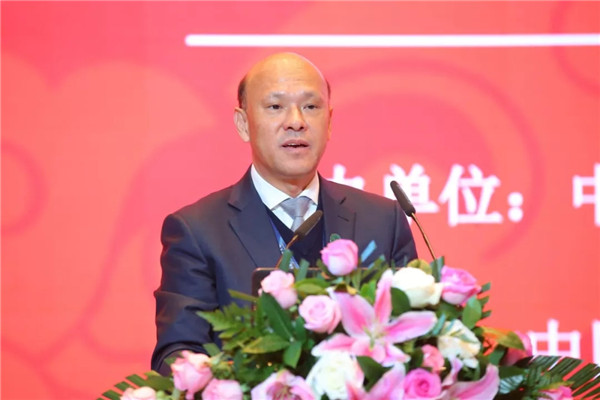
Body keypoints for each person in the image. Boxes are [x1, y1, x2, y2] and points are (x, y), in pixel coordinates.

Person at [151, 52, 417, 374]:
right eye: (275, 107)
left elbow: (416, 340)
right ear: (243, 124)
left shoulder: (384, 220)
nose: (296, 121)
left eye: (311, 106)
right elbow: (177, 357)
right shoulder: (197, 231)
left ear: (330, 122)